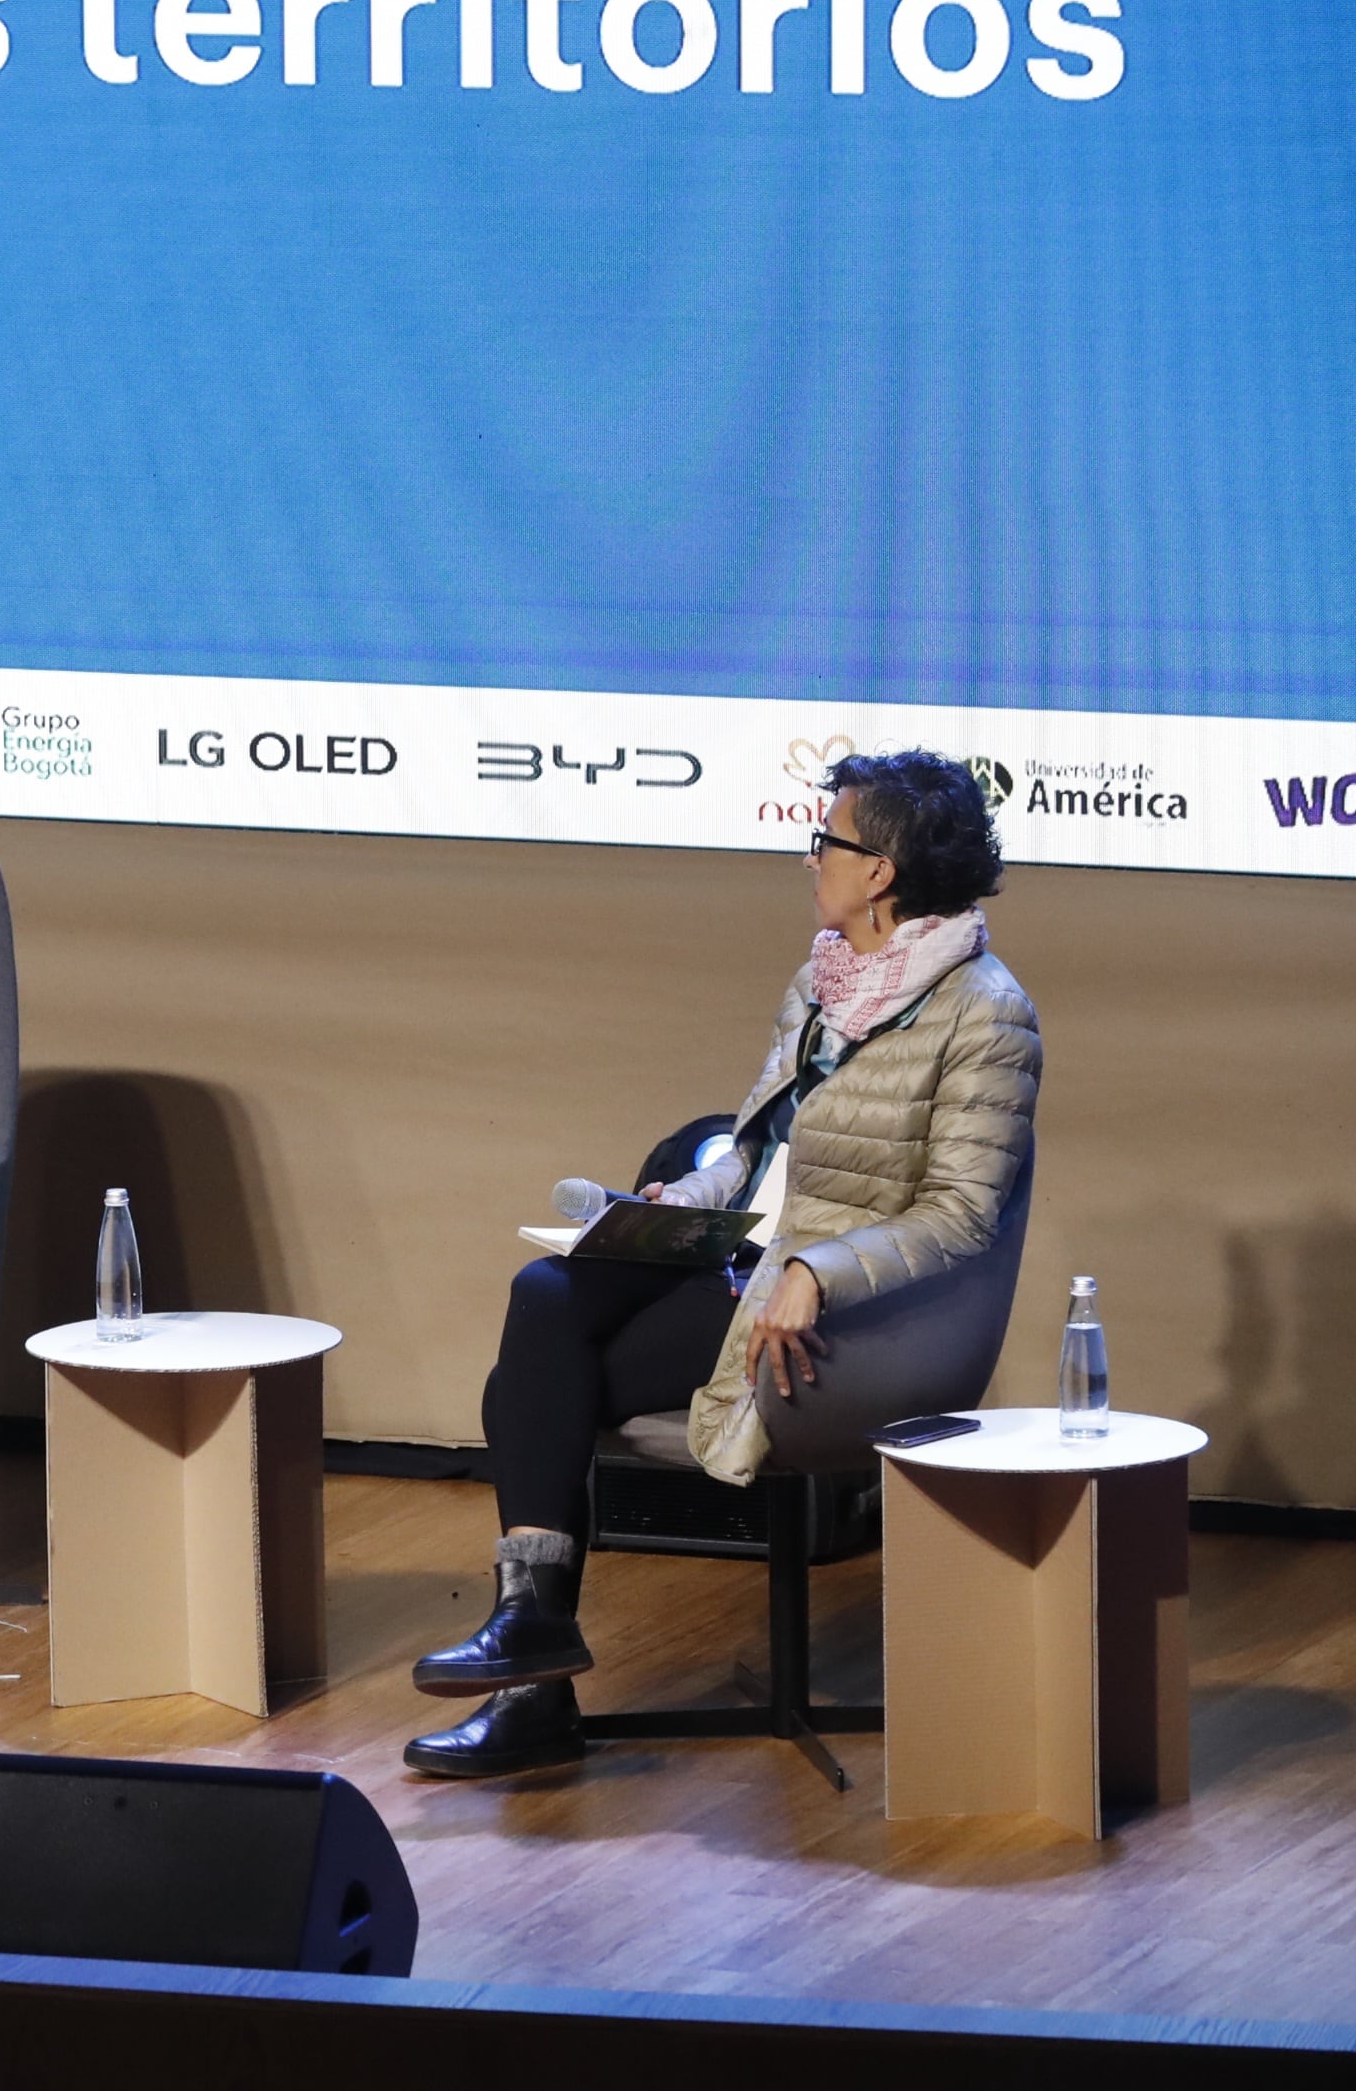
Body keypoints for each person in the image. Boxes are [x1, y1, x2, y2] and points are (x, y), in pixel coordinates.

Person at [407, 750, 1037, 1778]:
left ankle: (533, 1681)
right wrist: (675, 1205)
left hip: (861, 1321)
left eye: (823, 841)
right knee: (549, 1292)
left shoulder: (985, 1011)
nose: (808, 861)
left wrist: (820, 1271)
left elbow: (964, 1215)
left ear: (878, 870)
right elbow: (751, 1149)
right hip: (755, 1272)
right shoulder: (821, 980)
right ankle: (528, 1638)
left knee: (532, 1384)